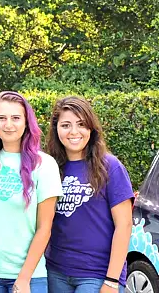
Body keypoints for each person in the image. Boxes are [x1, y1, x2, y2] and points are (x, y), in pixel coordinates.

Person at [0, 92, 61, 293]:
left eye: (16, 118)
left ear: (27, 122)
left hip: (29, 276)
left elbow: (44, 227)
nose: (8, 124)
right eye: (1, 118)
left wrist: (24, 278)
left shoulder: (44, 165)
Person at [44, 96, 134, 293]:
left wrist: (111, 280)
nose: (74, 132)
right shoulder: (50, 167)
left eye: (81, 124)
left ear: (91, 129)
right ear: (56, 129)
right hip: (55, 271)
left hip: (96, 274)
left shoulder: (110, 166)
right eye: (66, 125)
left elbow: (124, 225)